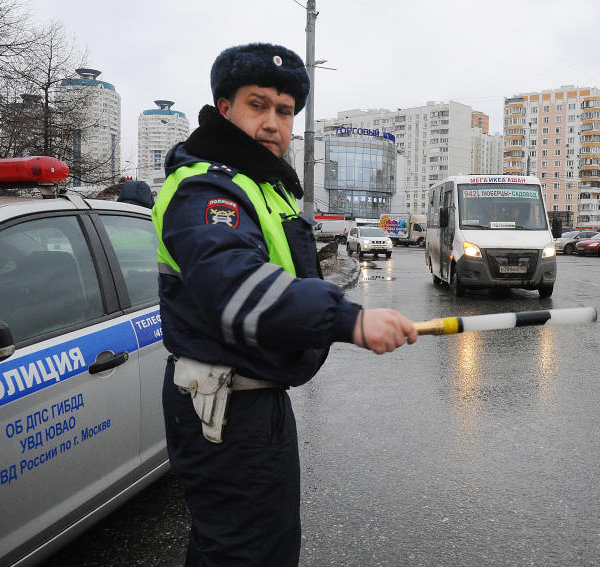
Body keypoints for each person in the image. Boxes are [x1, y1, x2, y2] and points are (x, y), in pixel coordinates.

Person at [152, 42, 417, 566]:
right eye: (258, 105)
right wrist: (351, 320)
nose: (273, 122)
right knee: (243, 553)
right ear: (224, 108)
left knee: (253, 546)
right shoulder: (208, 188)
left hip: (252, 400)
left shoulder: (262, 185)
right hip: (225, 406)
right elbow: (236, 285)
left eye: (284, 111)